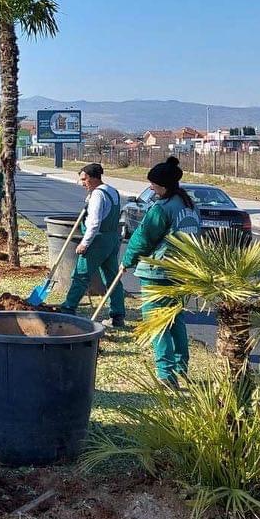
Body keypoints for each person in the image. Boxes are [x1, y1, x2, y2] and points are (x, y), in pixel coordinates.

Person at [118, 157, 201, 390]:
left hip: (158, 272)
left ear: (163, 185)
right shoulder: (189, 206)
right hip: (182, 271)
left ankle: (165, 374)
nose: (151, 189)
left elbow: (143, 237)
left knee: (157, 322)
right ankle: (180, 367)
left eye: (153, 185)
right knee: (175, 320)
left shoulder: (162, 209)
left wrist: (127, 261)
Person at [58, 163, 125, 326]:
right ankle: (117, 315)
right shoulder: (112, 191)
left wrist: (84, 243)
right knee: (112, 277)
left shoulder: (97, 196)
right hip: (112, 240)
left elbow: (94, 223)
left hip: (97, 241)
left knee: (81, 275)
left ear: (94, 178)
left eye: (84, 179)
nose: (82, 183)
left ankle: (68, 308)